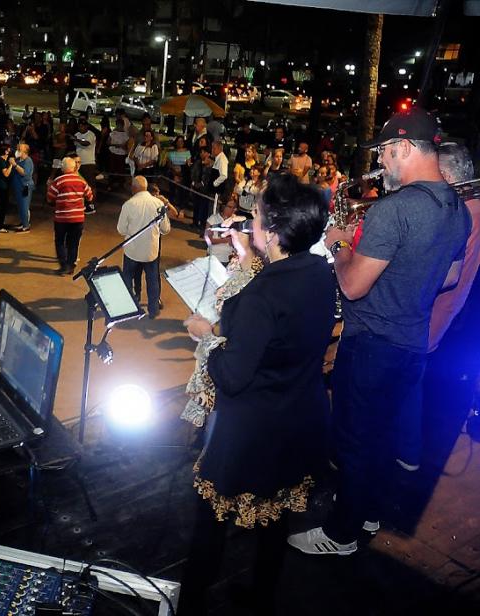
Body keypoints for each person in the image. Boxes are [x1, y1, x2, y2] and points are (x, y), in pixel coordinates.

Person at [288, 107, 472, 556]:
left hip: (370, 346)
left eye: (386, 153)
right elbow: (447, 278)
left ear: (405, 148)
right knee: (383, 439)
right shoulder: (458, 209)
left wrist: (338, 243)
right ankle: (368, 512)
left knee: (353, 441)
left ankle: (341, 535)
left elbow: (351, 285)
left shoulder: (394, 210)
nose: (382, 163)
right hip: (411, 346)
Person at [179, 174, 337, 615]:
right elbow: (279, 331)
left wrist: (205, 335)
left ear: (275, 229)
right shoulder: (318, 273)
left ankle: (190, 604)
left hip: (253, 431)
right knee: (276, 519)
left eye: (257, 217)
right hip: (300, 417)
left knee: (210, 527)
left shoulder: (261, 295)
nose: (251, 221)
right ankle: (261, 599)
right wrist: (250, 256)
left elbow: (231, 375)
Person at [395, 142, 480, 471]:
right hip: (444, 312)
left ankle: (404, 455)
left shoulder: (462, 215)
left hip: (429, 313)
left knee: (403, 384)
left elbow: (441, 275)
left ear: (445, 175)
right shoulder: (471, 208)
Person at [117, 177, 177, 318]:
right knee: (152, 280)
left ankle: (128, 306)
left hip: (132, 251)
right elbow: (166, 229)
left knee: (128, 277)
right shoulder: (158, 203)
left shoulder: (128, 204)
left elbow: (121, 230)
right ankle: (153, 309)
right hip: (151, 251)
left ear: (134, 188)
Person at [46, 157, 93, 275]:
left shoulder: (58, 181)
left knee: (60, 241)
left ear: (63, 168)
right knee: (74, 242)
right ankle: (71, 266)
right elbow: (90, 196)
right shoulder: (81, 181)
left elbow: (50, 197)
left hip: (61, 218)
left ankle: (63, 265)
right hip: (77, 218)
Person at [204, 195, 246, 265]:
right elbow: (208, 239)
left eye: (234, 208)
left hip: (228, 259)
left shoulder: (236, 221)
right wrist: (226, 240)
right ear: (223, 206)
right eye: (229, 207)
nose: (232, 210)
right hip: (214, 257)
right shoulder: (213, 219)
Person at [10, 143, 34, 232]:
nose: (17, 151)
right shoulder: (19, 160)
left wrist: (15, 165)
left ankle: (26, 226)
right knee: (20, 206)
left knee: (24, 206)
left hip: (25, 186)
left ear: (25, 151)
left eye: (19, 149)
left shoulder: (28, 161)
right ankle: (23, 222)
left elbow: (25, 173)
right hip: (18, 186)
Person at [0, 143, 14, 233]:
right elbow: (6, 174)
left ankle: (1, 223)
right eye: (8, 149)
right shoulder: (0, 161)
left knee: (4, 206)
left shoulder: (4, 160)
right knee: (2, 207)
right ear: (5, 151)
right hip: (1, 186)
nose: (9, 151)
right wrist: (11, 165)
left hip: (5, 185)